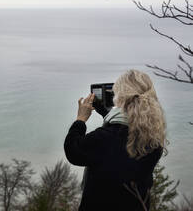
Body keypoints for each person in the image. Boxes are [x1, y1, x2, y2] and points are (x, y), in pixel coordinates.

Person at [64, 69, 166, 211]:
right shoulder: (153, 140)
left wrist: (80, 119)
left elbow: (73, 151)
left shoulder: (103, 138)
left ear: (120, 98)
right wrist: (107, 114)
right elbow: (121, 142)